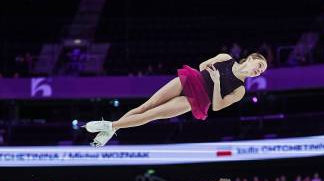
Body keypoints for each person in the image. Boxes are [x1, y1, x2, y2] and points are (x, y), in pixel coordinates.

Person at [86, 53, 268, 146]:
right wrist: (208, 73)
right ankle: (112, 128)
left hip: (197, 99)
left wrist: (217, 82)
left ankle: (110, 126)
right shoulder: (226, 57)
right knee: (146, 106)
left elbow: (218, 106)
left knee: (152, 114)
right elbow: (202, 65)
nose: (258, 71)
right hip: (190, 80)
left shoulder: (240, 90)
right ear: (251, 58)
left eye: (261, 71)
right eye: (259, 66)